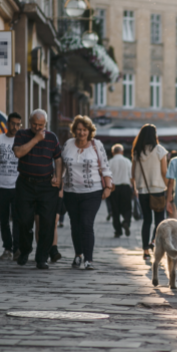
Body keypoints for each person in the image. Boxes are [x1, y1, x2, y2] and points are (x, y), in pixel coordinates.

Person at [60, 115, 112, 270]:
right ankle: (78, 255)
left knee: (86, 224)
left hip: (92, 192)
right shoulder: (68, 144)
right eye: (78, 129)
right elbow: (61, 165)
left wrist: (108, 187)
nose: (81, 133)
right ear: (74, 130)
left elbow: (105, 167)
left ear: (90, 131)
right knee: (75, 225)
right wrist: (59, 183)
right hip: (71, 192)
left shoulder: (97, 145)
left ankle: (88, 259)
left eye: (84, 130)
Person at [13, 109, 62, 270]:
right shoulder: (21, 135)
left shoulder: (52, 137)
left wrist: (58, 177)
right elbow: (19, 153)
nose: (38, 127)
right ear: (29, 121)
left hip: (46, 186)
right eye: (34, 124)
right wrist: (35, 139)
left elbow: (58, 159)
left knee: (47, 222)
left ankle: (42, 257)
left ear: (45, 124)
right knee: (24, 220)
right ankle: (25, 250)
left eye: (41, 125)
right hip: (25, 184)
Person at [131, 124, 168, 261]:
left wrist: (136, 188)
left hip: (143, 191)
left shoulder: (137, 152)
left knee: (146, 220)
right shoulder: (160, 150)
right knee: (160, 220)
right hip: (158, 190)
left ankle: (145, 250)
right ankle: (153, 241)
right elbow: (164, 172)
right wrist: (167, 185)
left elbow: (133, 173)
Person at [0, 112, 22, 261]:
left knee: (17, 218)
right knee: (3, 219)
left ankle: (17, 249)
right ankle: (7, 248)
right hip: (1, 185)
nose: (15, 127)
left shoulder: (22, 141)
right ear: (7, 124)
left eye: (18, 124)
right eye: (12, 123)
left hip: (18, 186)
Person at [108, 144, 134, 237]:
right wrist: (134, 189)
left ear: (112, 152)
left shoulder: (110, 162)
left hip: (113, 188)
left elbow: (107, 177)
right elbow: (131, 176)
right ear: (122, 152)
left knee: (115, 210)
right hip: (125, 187)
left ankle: (118, 231)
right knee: (127, 208)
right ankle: (126, 222)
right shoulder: (127, 161)